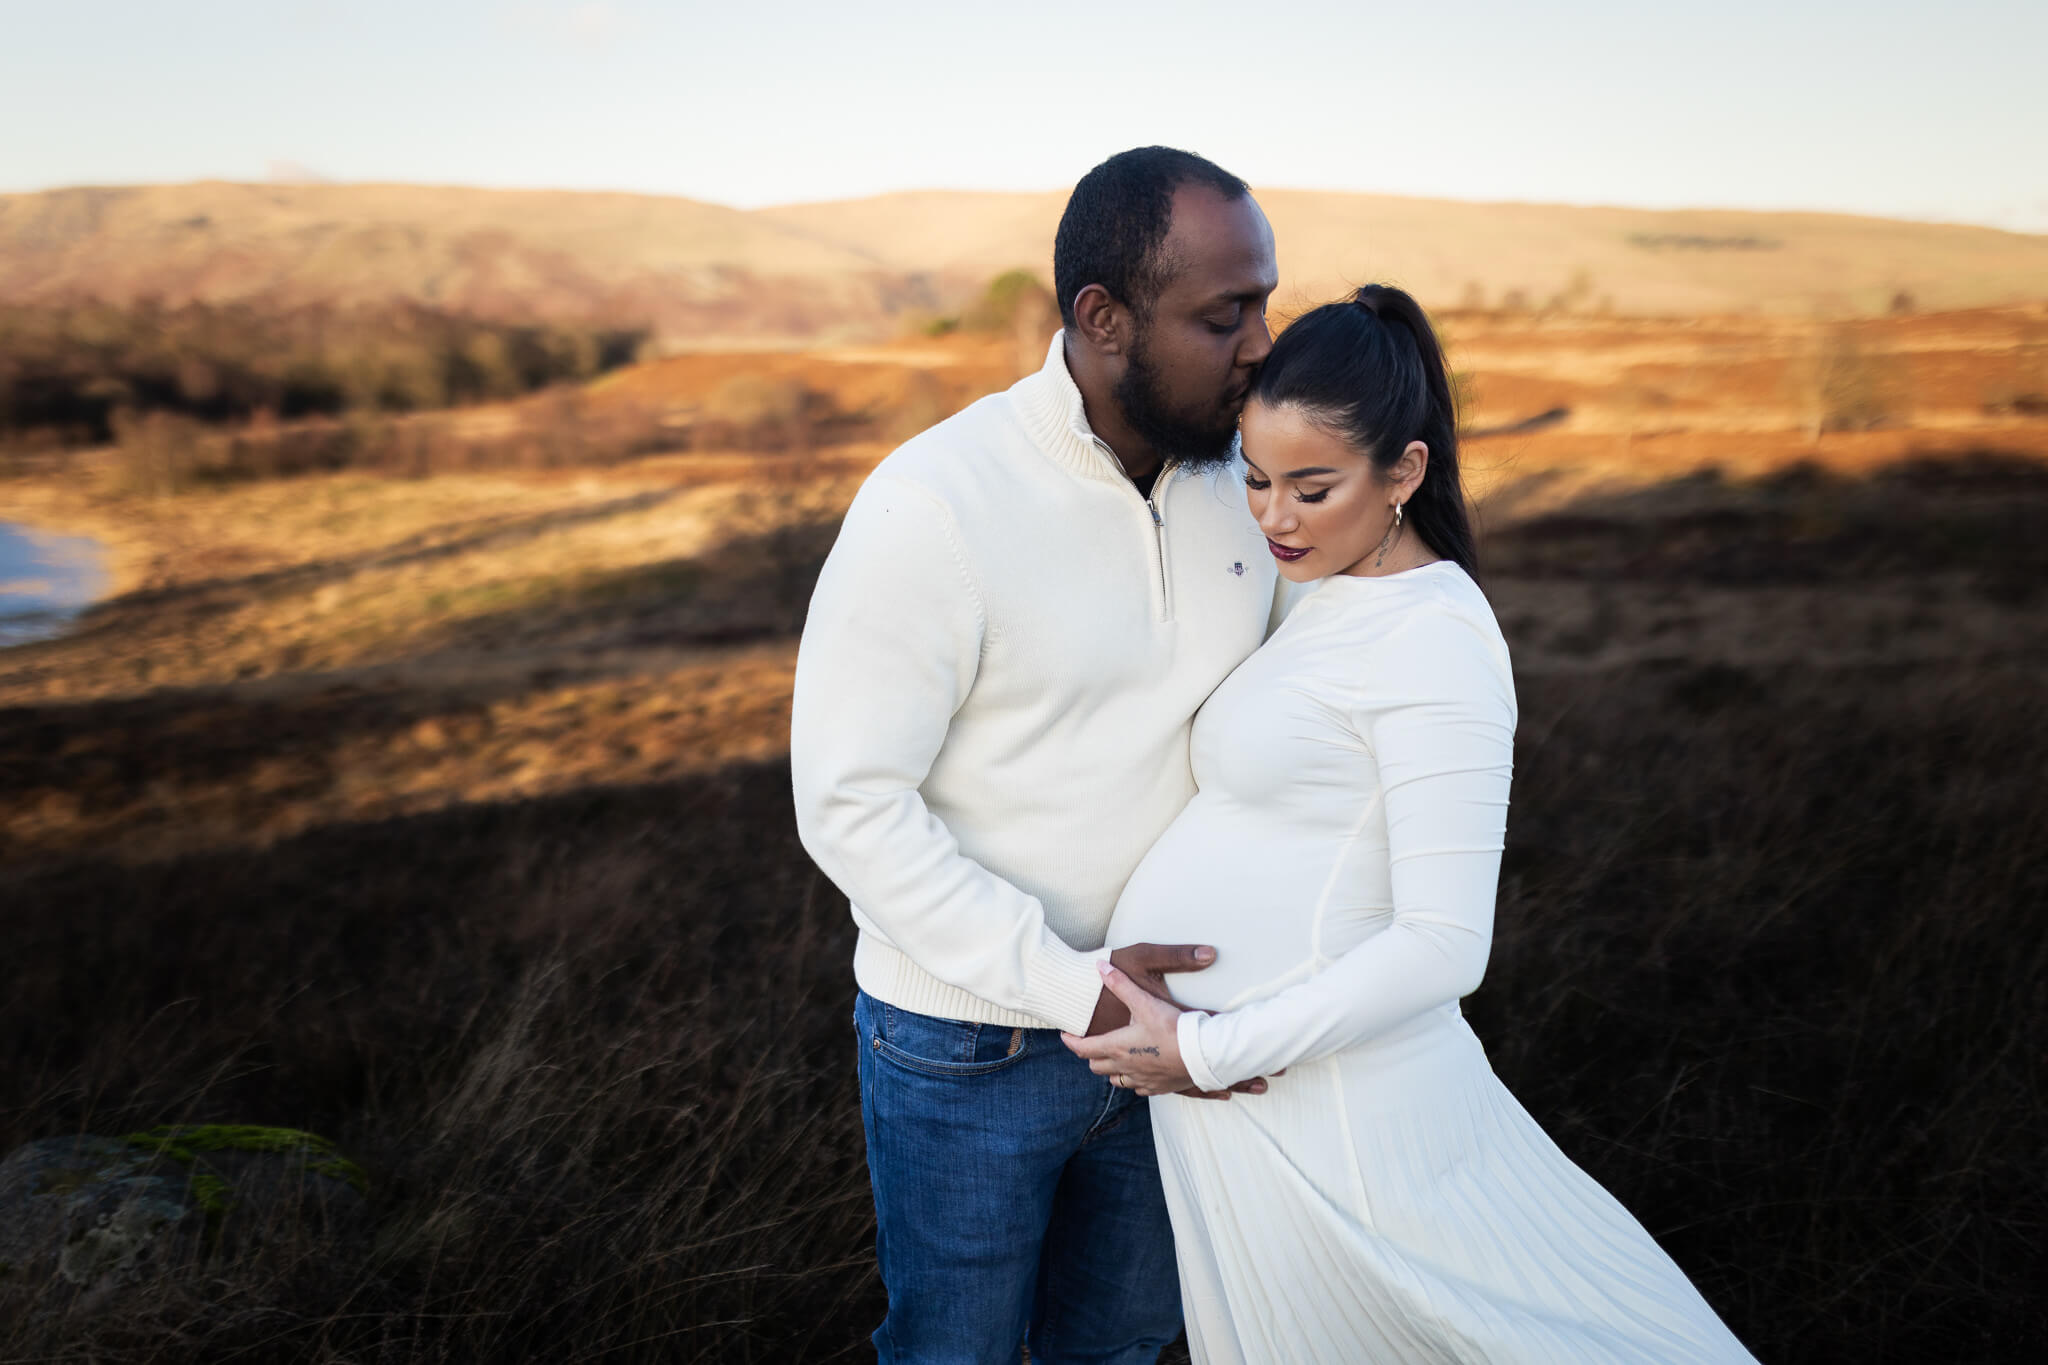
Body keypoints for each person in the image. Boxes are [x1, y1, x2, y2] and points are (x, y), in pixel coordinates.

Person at [1068, 286, 1764, 1364]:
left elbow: (1446, 944)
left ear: (1404, 471)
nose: (1273, 518)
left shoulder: (1433, 637)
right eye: (1254, 479)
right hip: (1254, 1106)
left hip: (1338, 1115)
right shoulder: (1326, 592)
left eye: (1311, 487)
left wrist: (1207, 1049)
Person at [790, 147, 1282, 1363]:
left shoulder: (1253, 486)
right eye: (1225, 315)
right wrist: (1078, 989)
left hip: (1179, 1030)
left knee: (1118, 1351)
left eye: (1266, 303)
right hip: (966, 1047)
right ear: (1100, 319)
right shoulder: (934, 504)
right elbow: (849, 806)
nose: (1263, 344)